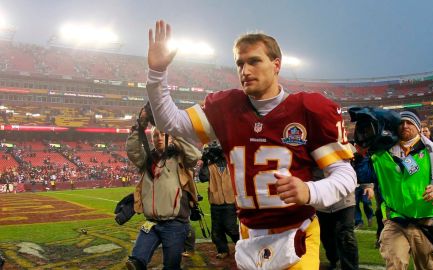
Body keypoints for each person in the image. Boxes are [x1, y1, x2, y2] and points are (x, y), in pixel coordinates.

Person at [145, 20, 357, 269]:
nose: (245, 70)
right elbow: (171, 122)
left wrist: (309, 191)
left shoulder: (307, 108)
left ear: (276, 64)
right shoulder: (226, 107)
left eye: (254, 61)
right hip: (249, 236)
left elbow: (345, 175)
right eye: (239, 63)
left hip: (296, 233)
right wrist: (157, 74)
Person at [354, 110, 433, 270]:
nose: (405, 125)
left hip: (426, 221)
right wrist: (362, 156)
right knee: (395, 263)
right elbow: (363, 175)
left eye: (410, 122)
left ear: (418, 127)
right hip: (395, 219)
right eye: (401, 122)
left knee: (426, 266)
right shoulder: (381, 152)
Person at [125, 107, 202, 270]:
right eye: (154, 136)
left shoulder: (180, 158)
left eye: (161, 134)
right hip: (151, 223)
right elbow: (132, 151)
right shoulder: (147, 160)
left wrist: (172, 131)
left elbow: (195, 156)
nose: (158, 138)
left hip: (174, 224)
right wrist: (140, 125)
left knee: (171, 266)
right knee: (135, 262)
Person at [198, 142, 239, 259]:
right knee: (217, 230)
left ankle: (241, 245)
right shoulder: (210, 166)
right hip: (215, 203)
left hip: (230, 202)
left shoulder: (232, 165)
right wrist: (205, 161)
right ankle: (223, 250)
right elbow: (202, 178)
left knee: (230, 227)